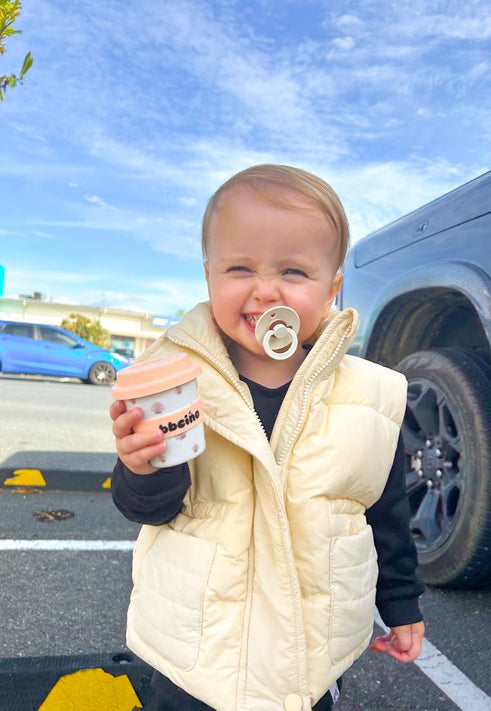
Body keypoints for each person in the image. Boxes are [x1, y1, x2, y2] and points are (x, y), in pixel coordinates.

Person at [110, 164, 425, 711]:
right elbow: (151, 511)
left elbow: (386, 512)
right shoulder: (179, 383)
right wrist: (142, 468)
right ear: (209, 278)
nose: (264, 290)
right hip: (197, 655)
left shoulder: (368, 397)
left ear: (332, 289)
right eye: (239, 268)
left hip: (308, 657)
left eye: (293, 272)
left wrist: (401, 603)